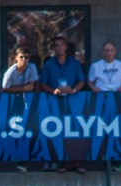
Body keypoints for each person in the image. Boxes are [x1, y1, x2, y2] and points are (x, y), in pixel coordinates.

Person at [39, 35, 86, 174]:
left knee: (75, 131)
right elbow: (42, 84)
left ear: (66, 47)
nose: (59, 47)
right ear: (54, 49)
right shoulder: (49, 65)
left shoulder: (74, 63)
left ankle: (76, 162)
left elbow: (81, 81)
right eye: (57, 45)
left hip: (73, 102)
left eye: (62, 44)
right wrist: (54, 91)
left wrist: (74, 90)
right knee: (58, 132)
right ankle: (62, 162)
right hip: (55, 103)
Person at [87, 41, 121, 172]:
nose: (109, 53)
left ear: (115, 51)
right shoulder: (96, 66)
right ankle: (105, 161)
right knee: (103, 130)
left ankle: (119, 161)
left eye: (111, 50)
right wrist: (94, 89)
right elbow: (90, 82)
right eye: (106, 50)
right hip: (102, 100)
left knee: (119, 130)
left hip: (117, 100)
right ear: (102, 52)